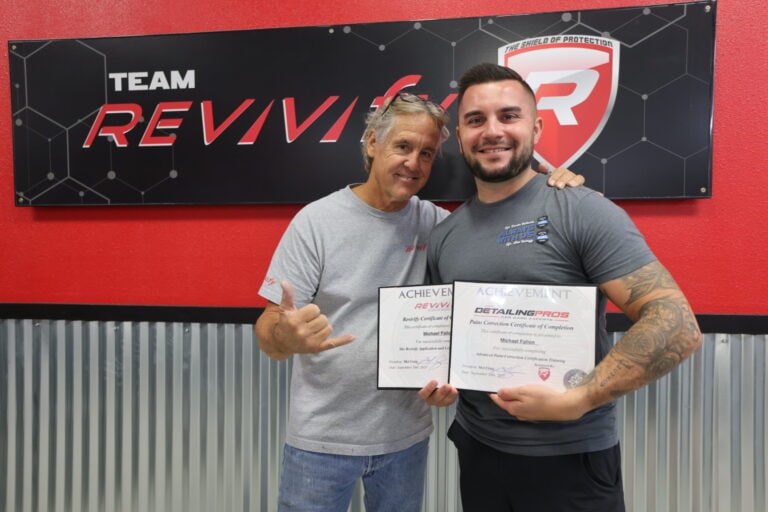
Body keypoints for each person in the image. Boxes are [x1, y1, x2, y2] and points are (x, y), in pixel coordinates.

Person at [254, 91, 584, 512]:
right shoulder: (315, 222)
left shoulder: (437, 224)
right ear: (373, 144)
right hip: (321, 440)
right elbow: (268, 329)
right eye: (403, 147)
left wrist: (558, 190)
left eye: (427, 153)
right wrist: (287, 336)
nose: (414, 163)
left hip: (405, 438)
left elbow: (506, 238)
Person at [425, 63, 703, 511]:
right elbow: (443, 342)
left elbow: (676, 324)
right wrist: (438, 383)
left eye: (508, 116)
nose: (492, 130)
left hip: (570, 462)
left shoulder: (582, 210)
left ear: (535, 127)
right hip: (477, 451)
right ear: (460, 137)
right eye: (476, 120)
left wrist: (581, 398)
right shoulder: (446, 234)